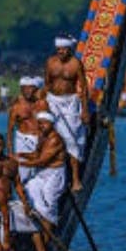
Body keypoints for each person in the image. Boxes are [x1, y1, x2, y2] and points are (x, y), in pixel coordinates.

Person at [44, 36, 90, 191]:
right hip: (53, 102)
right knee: (54, 138)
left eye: (63, 49)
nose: (60, 52)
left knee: (72, 140)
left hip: (70, 103)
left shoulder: (76, 64)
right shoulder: (51, 62)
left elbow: (83, 88)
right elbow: (47, 84)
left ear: (69, 49)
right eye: (58, 49)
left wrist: (84, 110)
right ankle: (55, 175)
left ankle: (76, 179)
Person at [18, 111, 68, 242]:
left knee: (49, 202)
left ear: (51, 124)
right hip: (42, 173)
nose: (41, 126)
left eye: (44, 123)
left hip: (54, 174)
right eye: (39, 123)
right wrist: (21, 155)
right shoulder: (42, 137)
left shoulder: (55, 139)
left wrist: (19, 162)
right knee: (30, 187)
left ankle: (48, 235)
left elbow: (42, 161)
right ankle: (39, 222)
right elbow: (36, 155)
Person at [7, 76, 44, 183]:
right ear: (21, 89)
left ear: (36, 89)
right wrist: (10, 153)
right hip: (23, 141)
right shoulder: (16, 107)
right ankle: (25, 197)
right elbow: (10, 131)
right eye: (25, 88)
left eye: (30, 88)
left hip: (40, 141)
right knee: (24, 173)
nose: (27, 91)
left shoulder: (42, 104)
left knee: (40, 171)